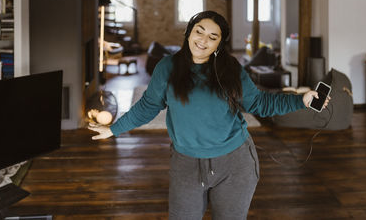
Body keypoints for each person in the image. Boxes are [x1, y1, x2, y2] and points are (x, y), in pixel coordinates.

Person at [88, 11, 330, 220]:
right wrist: (113, 129)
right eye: (199, 31)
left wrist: (302, 99)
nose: (203, 40)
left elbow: (259, 103)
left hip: (235, 163)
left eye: (212, 37)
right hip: (186, 163)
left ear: (219, 44)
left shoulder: (231, 69)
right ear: (189, 33)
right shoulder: (167, 68)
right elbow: (148, 106)